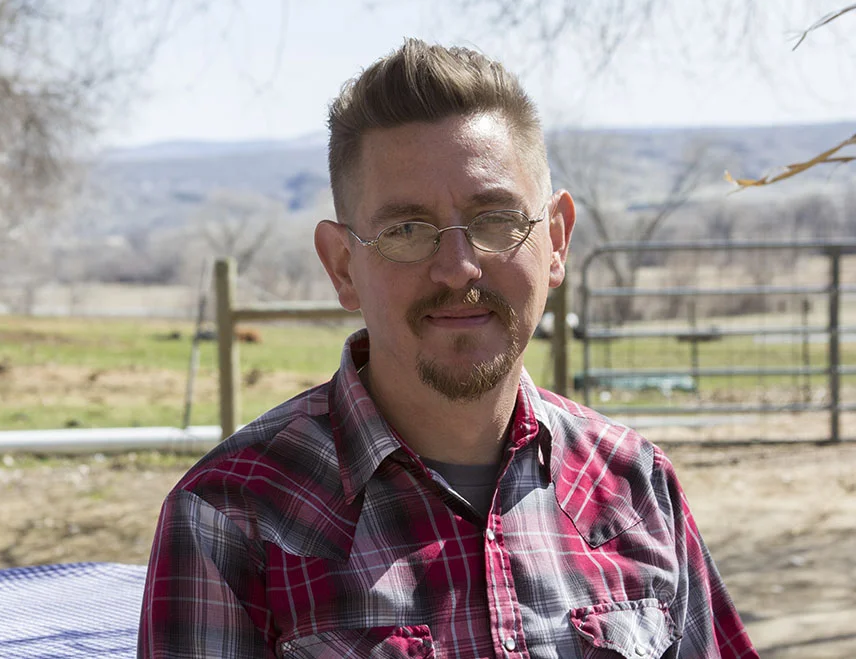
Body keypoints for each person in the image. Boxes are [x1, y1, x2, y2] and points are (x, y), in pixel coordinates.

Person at [138, 39, 757, 658]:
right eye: (406, 230)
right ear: (342, 266)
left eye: (494, 220)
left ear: (558, 241)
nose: (458, 268)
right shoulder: (232, 516)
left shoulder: (634, 484)